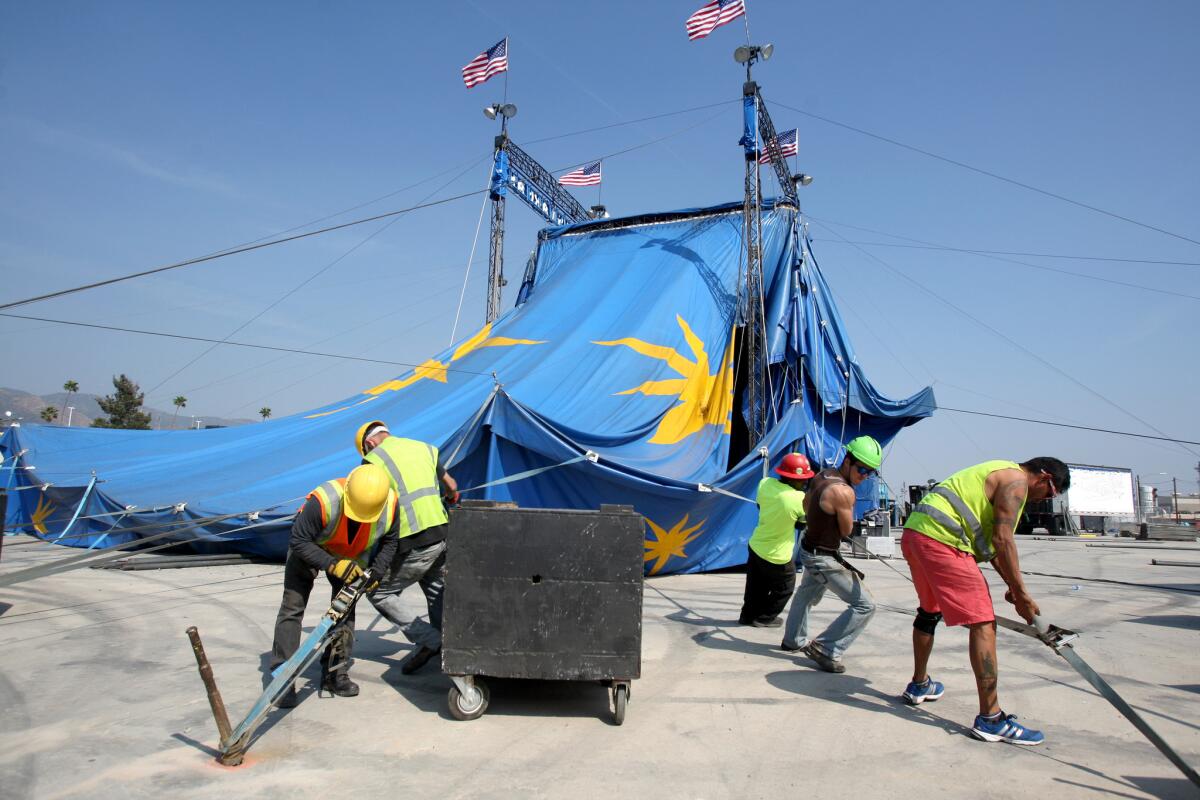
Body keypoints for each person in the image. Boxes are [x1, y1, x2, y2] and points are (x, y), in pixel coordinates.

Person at [900, 457, 1069, 746]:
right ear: (1044, 477)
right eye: (1050, 494)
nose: (1044, 501)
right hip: (944, 542)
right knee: (983, 623)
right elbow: (1004, 539)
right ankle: (991, 718)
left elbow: (992, 547)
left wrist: (1013, 589)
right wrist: (1023, 595)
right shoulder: (1016, 483)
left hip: (916, 535)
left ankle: (919, 684)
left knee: (930, 612)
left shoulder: (996, 472)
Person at [270, 463, 399, 708]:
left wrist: (378, 572)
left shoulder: (389, 504)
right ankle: (282, 679)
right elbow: (298, 539)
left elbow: (390, 541)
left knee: (344, 612)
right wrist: (331, 564)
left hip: (350, 557)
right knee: (292, 608)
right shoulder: (324, 500)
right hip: (310, 549)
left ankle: (334, 674)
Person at [355, 420, 459, 675]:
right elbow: (453, 487)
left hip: (413, 539)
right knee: (436, 591)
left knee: (378, 592)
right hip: (442, 534)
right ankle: (452, 648)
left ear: (369, 444)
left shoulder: (373, 461)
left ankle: (431, 641)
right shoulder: (424, 448)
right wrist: (448, 499)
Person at [781, 436, 881, 673]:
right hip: (822, 558)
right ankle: (826, 649)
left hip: (808, 547)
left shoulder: (822, 475)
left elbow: (806, 504)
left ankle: (793, 640)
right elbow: (847, 531)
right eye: (862, 469)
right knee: (865, 605)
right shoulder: (844, 492)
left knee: (805, 595)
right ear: (848, 461)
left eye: (870, 472)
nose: (864, 476)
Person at [738, 453, 816, 627]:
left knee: (755, 586)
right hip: (777, 555)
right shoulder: (798, 499)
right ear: (790, 478)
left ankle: (747, 616)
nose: (804, 483)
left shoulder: (764, 484)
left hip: (757, 545)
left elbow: (760, 505)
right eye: (801, 480)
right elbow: (801, 525)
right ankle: (764, 618)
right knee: (785, 587)